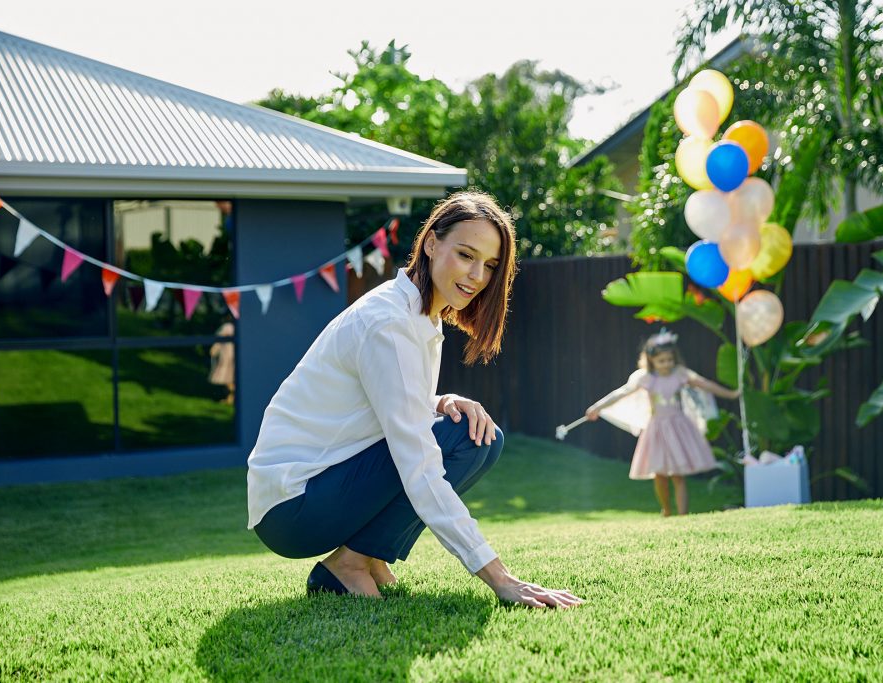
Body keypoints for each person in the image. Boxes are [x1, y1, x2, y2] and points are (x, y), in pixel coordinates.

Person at [247, 191, 582, 609]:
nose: (478, 275)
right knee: (458, 439)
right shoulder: (389, 322)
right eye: (466, 254)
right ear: (430, 243)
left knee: (480, 435)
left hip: (314, 491)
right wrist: (500, 578)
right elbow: (418, 464)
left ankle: (363, 556)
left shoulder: (419, 314)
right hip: (292, 505)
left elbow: (382, 403)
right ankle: (350, 565)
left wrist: (439, 402)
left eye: (490, 265)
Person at [586, 329, 739, 517]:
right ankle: (666, 509)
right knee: (659, 474)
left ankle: (682, 514)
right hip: (656, 429)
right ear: (651, 361)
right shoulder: (645, 378)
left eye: (670, 360)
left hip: (678, 428)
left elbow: (705, 384)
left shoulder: (680, 374)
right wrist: (598, 407)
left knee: (678, 473)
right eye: (661, 361)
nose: (666, 364)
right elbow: (621, 393)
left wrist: (731, 394)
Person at [209, 321, 235, 405]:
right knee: (230, 379)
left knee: (229, 380)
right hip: (229, 355)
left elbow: (220, 340)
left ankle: (230, 398)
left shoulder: (227, 327)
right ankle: (230, 398)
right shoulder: (233, 326)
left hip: (227, 356)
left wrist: (214, 349)